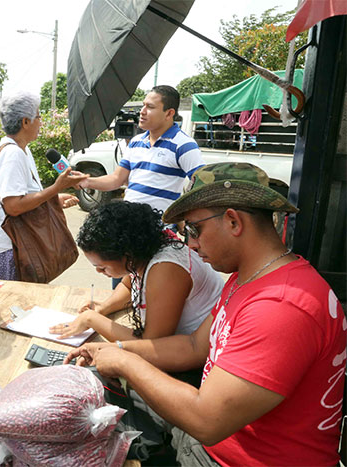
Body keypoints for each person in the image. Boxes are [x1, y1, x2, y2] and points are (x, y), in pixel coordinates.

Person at [66, 163, 346, 466]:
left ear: (233, 222)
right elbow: (194, 347)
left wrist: (125, 361)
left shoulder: (281, 306)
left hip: (228, 456)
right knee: (86, 392)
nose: (191, 243)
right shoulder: (246, 279)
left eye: (194, 229)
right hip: (217, 437)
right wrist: (113, 349)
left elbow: (207, 422)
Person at [49, 201, 223, 351]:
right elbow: (128, 285)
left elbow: (150, 345)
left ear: (127, 255)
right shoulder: (146, 251)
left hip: (198, 357)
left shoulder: (166, 269)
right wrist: (103, 308)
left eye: (102, 268)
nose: (99, 272)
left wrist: (92, 319)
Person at [0, 91, 86, 280]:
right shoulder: (12, 153)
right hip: (11, 251)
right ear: (25, 121)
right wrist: (55, 188)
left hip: (17, 248)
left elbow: (24, 195)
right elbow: (13, 206)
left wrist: (54, 198)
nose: (41, 122)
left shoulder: (22, 150)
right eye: (38, 116)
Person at [77, 85, 204, 213]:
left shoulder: (184, 145)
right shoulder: (136, 141)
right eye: (143, 105)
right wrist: (86, 181)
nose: (142, 111)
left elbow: (202, 185)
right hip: (131, 223)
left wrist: (183, 216)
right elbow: (117, 179)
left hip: (159, 229)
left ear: (169, 113)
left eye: (150, 107)